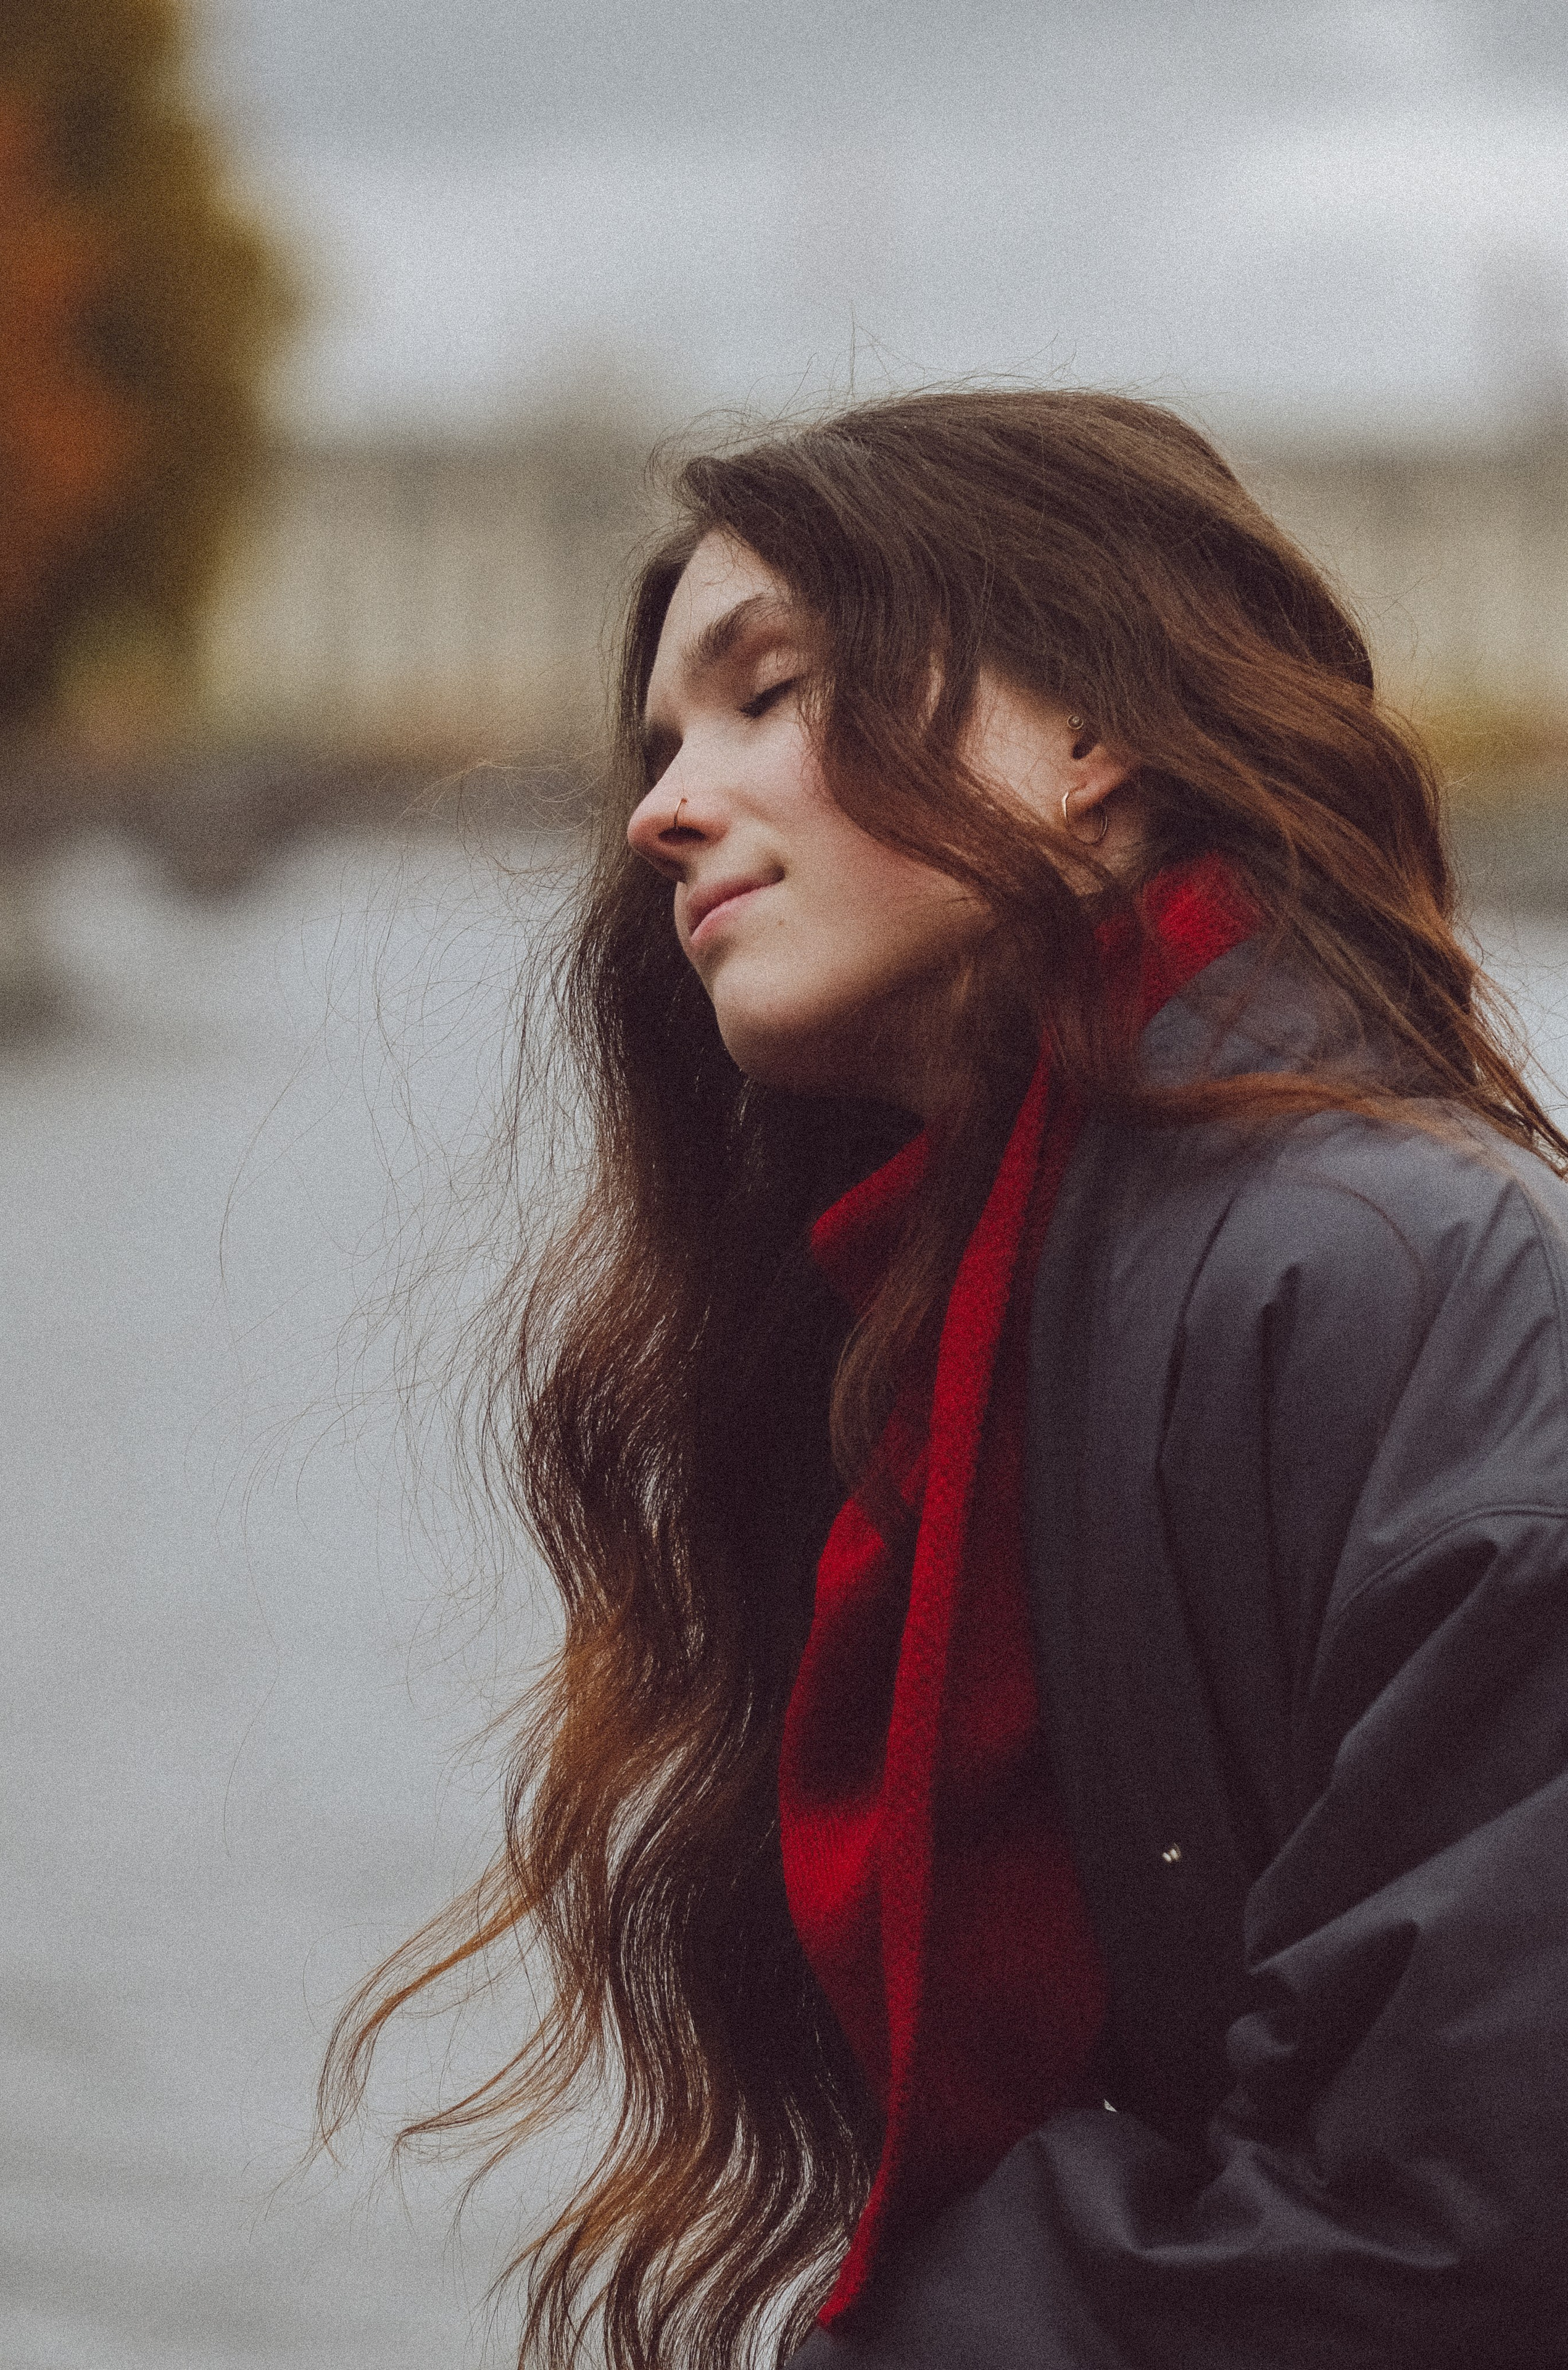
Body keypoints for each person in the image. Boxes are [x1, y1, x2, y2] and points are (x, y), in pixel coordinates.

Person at [321, 389, 1568, 2370]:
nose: (663, 808)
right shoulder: (967, 1302)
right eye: (662, 747)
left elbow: (1460, 2205)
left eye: (768, 694)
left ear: (1091, 734)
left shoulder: (1389, 1277)